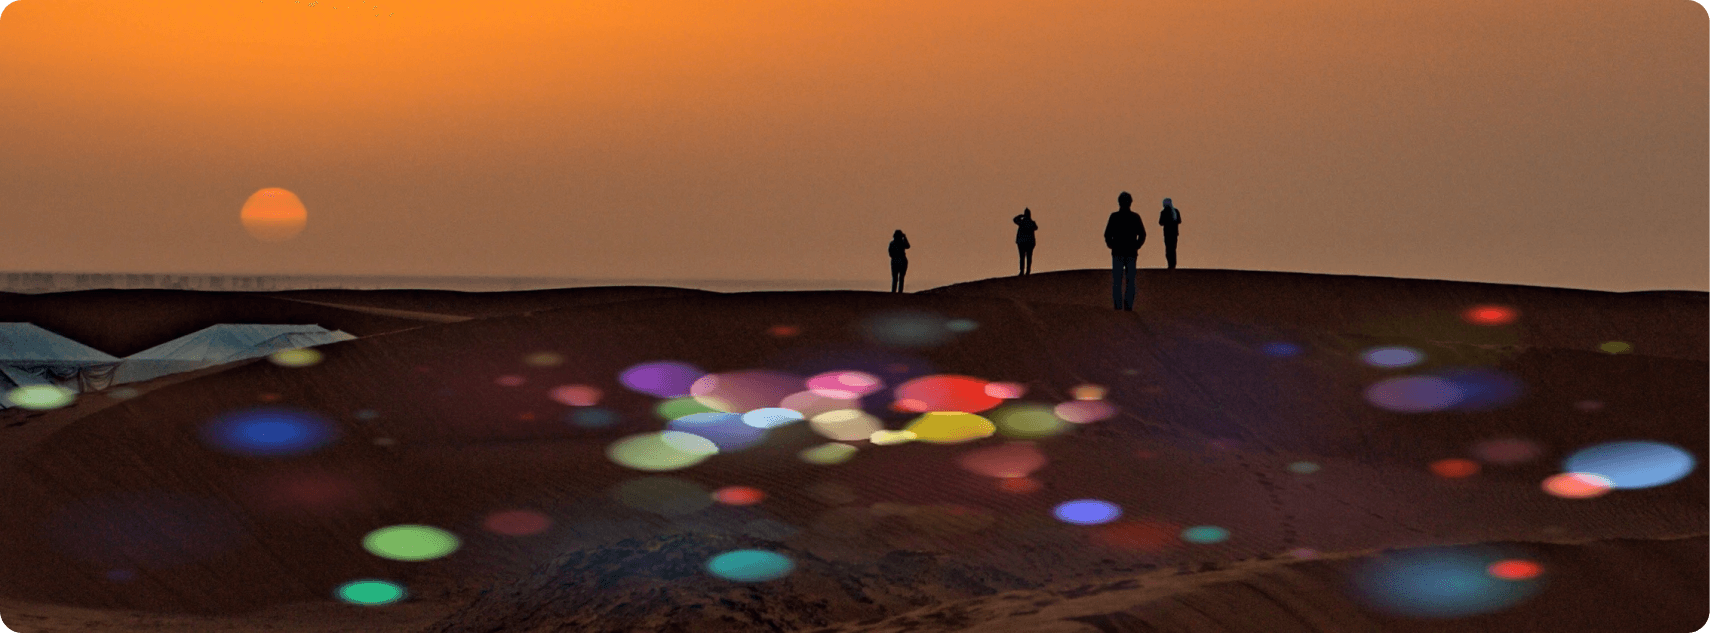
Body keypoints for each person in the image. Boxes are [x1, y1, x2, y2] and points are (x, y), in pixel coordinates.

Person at [1102, 191, 1146, 311]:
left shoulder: (1116, 216)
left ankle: (1120, 306)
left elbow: (1107, 234)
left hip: (1121, 253)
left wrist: (1111, 245)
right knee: (1128, 281)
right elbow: (1142, 234)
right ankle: (1127, 307)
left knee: (1119, 280)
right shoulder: (1133, 217)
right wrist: (1137, 245)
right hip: (1128, 253)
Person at [1013, 208, 1038, 276]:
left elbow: (1015, 219)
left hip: (1026, 243)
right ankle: (1025, 271)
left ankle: (1025, 271)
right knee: (1026, 257)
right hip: (1025, 242)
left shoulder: (1024, 222)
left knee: (1024, 257)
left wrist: (1020, 216)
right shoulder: (1029, 222)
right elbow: (1014, 220)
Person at [1158, 198, 1182, 269]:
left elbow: (1160, 222)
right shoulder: (1175, 211)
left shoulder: (1163, 212)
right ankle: (1173, 264)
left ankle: (1170, 264)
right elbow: (1179, 221)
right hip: (1174, 233)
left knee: (1168, 249)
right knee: (1173, 249)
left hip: (1167, 233)